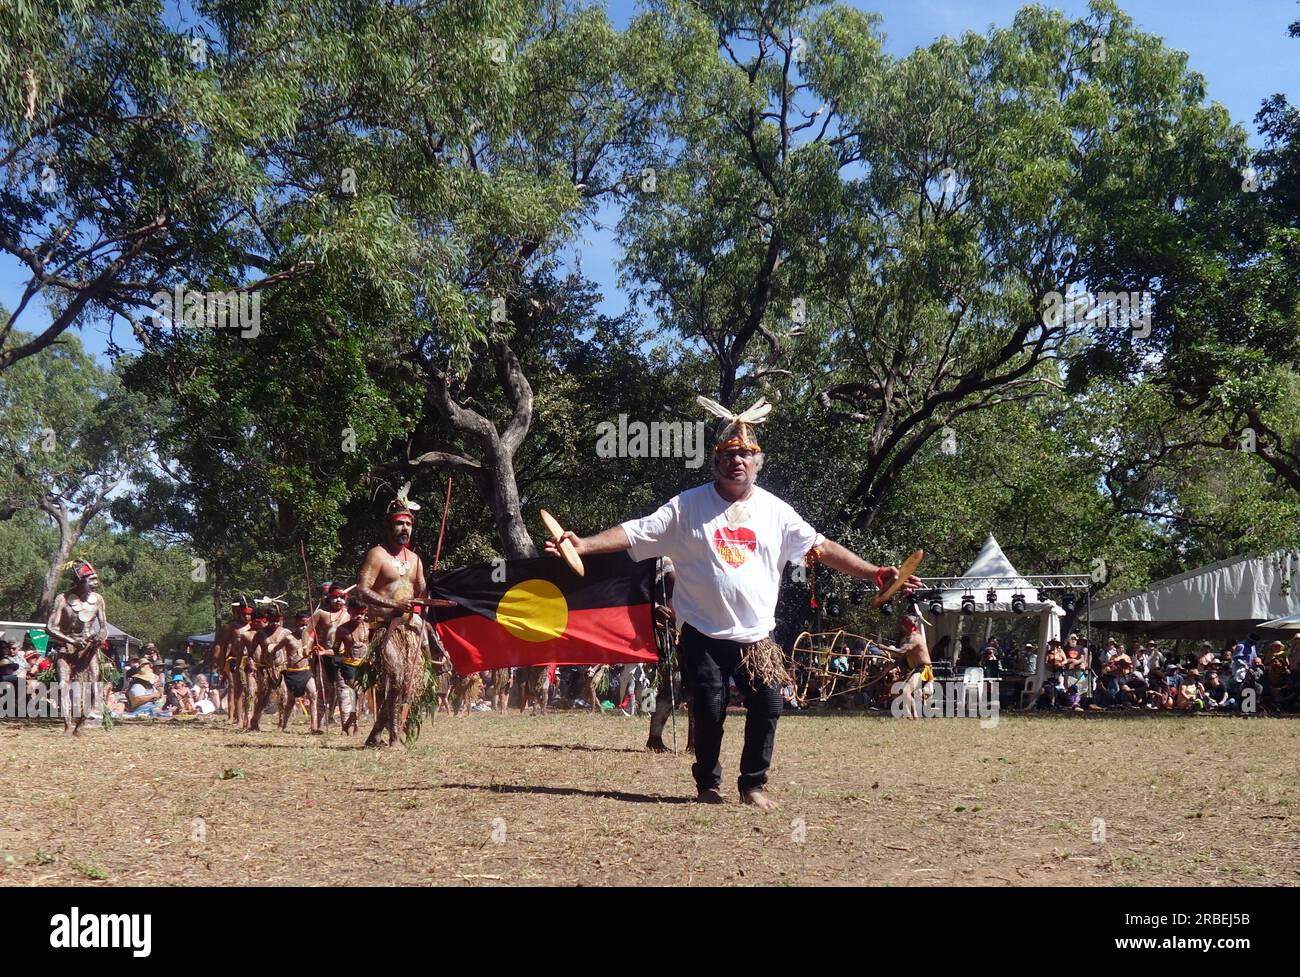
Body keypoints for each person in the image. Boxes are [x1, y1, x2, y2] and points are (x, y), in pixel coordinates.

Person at [544, 395, 920, 809]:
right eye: (729, 455)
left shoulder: (776, 512)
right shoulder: (687, 507)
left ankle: (753, 785)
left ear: (758, 463)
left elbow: (822, 547)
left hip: (757, 634)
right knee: (708, 709)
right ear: (716, 461)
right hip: (703, 630)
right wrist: (584, 544)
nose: (737, 461)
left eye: (745, 455)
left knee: (769, 703)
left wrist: (873, 573)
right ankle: (708, 784)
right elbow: (636, 532)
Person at [355, 488, 439, 748]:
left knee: (406, 685)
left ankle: (375, 737)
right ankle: (394, 739)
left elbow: (422, 591)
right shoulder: (376, 555)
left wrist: (435, 584)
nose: (404, 528)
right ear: (388, 526)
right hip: (384, 628)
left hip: (410, 629)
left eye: (408, 524)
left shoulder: (415, 559)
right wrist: (393, 604)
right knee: (398, 679)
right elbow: (361, 591)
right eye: (399, 523)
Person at [45, 560, 109, 736]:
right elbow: (50, 627)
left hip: (88, 649)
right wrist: (71, 641)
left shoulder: (98, 600)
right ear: (81, 581)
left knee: (95, 689)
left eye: (96, 579)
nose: (96, 583)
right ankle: (67, 726)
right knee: (63, 685)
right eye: (92, 580)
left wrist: (100, 637)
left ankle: (80, 726)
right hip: (66, 648)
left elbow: (103, 626)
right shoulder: (62, 599)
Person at [271, 611, 321, 733]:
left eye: (306, 625)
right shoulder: (288, 638)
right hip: (292, 673)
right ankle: (283, 725)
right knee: (291, 701)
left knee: (313, 695)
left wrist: (316, 650)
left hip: (306, 672)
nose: (304, 627)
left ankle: (314, 726)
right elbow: (274, 650)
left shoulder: (310, 639)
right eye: (301, 624)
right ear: (296, 623)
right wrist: (274, 665)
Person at [309, 582, 350, 729]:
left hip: (343, 658)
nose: (338, 600)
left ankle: (346, 726)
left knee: (343, 690)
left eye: (341, 597)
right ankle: (319, 725)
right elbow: (307, 632)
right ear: (329, 597)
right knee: (324, 692)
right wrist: (306, 647)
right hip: (324, 657)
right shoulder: (321, 613)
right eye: (335, 597)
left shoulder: (350, 614)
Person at [332, 596, 372, 735]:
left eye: (362, 614)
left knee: (360, 696)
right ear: (349, 611)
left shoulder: (369, 628)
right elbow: (336, 648)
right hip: (348, 665)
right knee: (358, 692)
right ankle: (356, 726)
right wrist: (335, 661)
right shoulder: (342, 630)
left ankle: (348, 724)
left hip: (365, 666)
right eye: (356, 613)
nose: (359, 616)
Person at [215, 598, 254, 725]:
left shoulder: (255, 626)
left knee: (249, 688)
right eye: (244, 614)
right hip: (233, 659)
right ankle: (233, 716)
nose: (247, 616)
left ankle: (246, 715)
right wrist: (220, 663)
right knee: (234, 687)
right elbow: (222, 644)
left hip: (249, 660)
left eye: (249, 614)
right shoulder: (231, 627)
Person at [246, 605, 284, 732]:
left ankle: (281, 723)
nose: (275, 624)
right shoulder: (260, 634)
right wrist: (250, 662)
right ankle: (254, 721)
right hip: (265, 669)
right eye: (273, 621)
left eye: (278, 621)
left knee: (283, 696)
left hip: (281, 669)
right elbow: (250, 652)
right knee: (263, 697)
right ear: (267, 619)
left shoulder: (285, 632)